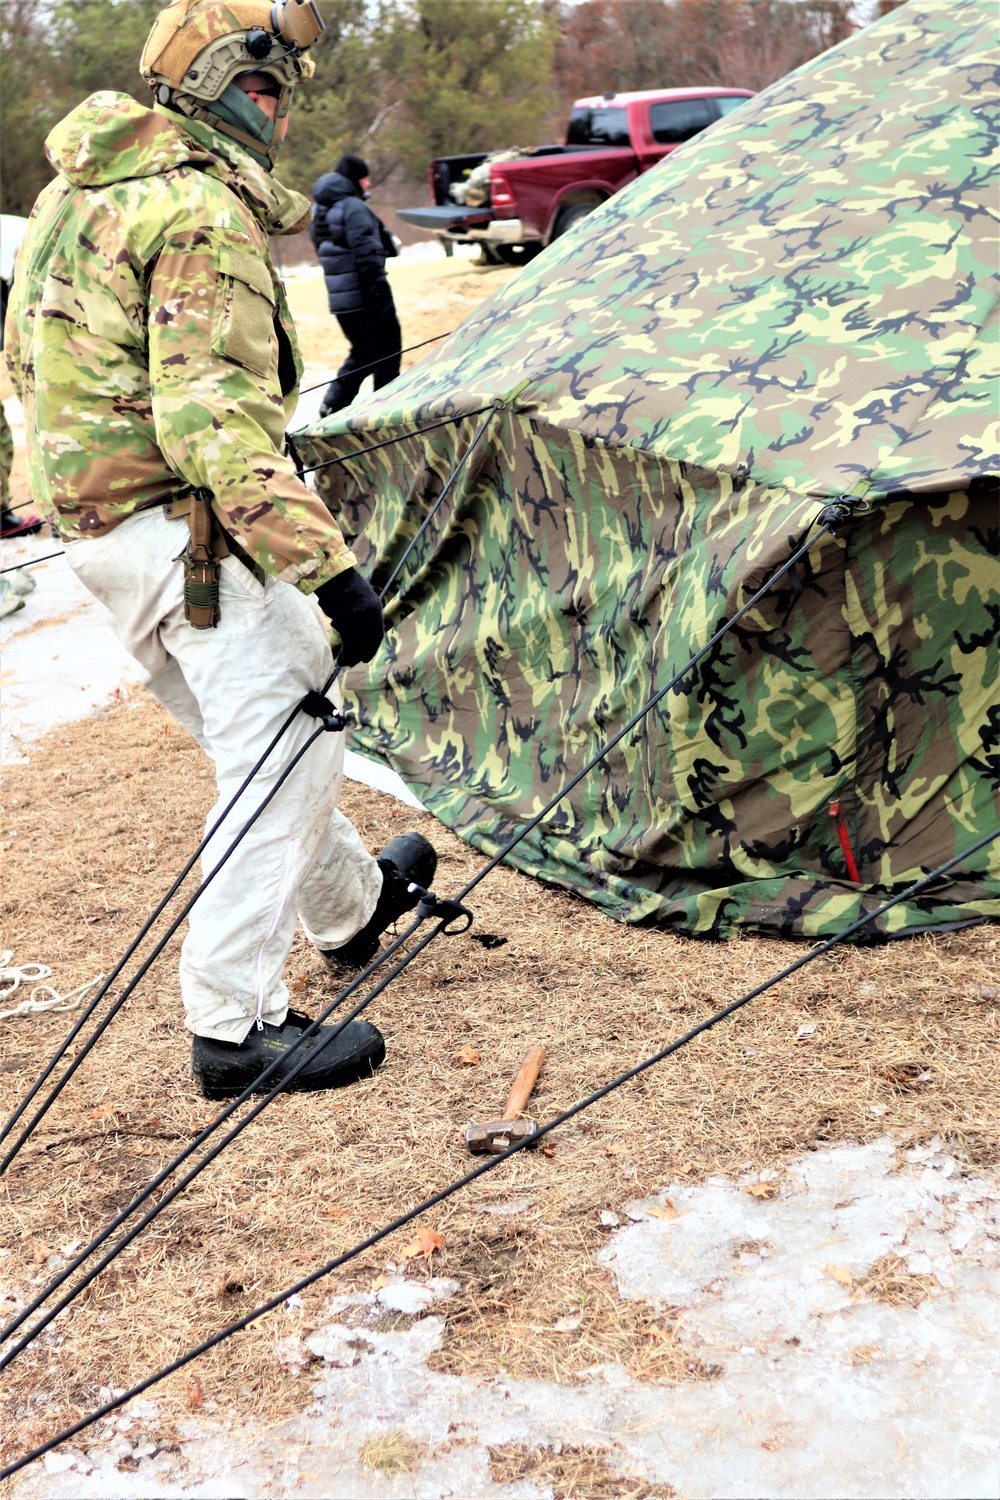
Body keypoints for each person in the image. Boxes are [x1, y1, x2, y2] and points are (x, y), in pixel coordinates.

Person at [4, 0, 436, 1100]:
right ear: (222, 86)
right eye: (268, 85)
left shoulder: (76, 191)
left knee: (282, 739)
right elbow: (213, 420)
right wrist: (329, 571)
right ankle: (235, 1030)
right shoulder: (196, 209)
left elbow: (28, 369)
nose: (281, 111)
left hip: (102, 534)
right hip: (179, 531)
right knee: (285, 742)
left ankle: (348, 907)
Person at [311, 154, 402, 417]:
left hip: (342, 301)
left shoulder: (320, 210)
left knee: (364, 353)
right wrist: (380, 296)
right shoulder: (353, 207)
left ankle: (332, 407)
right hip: (366, 297)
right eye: (365, 178)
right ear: (355, 179)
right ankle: (388, 411)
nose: (368, 183)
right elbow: (367, 256)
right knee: (388, 353)